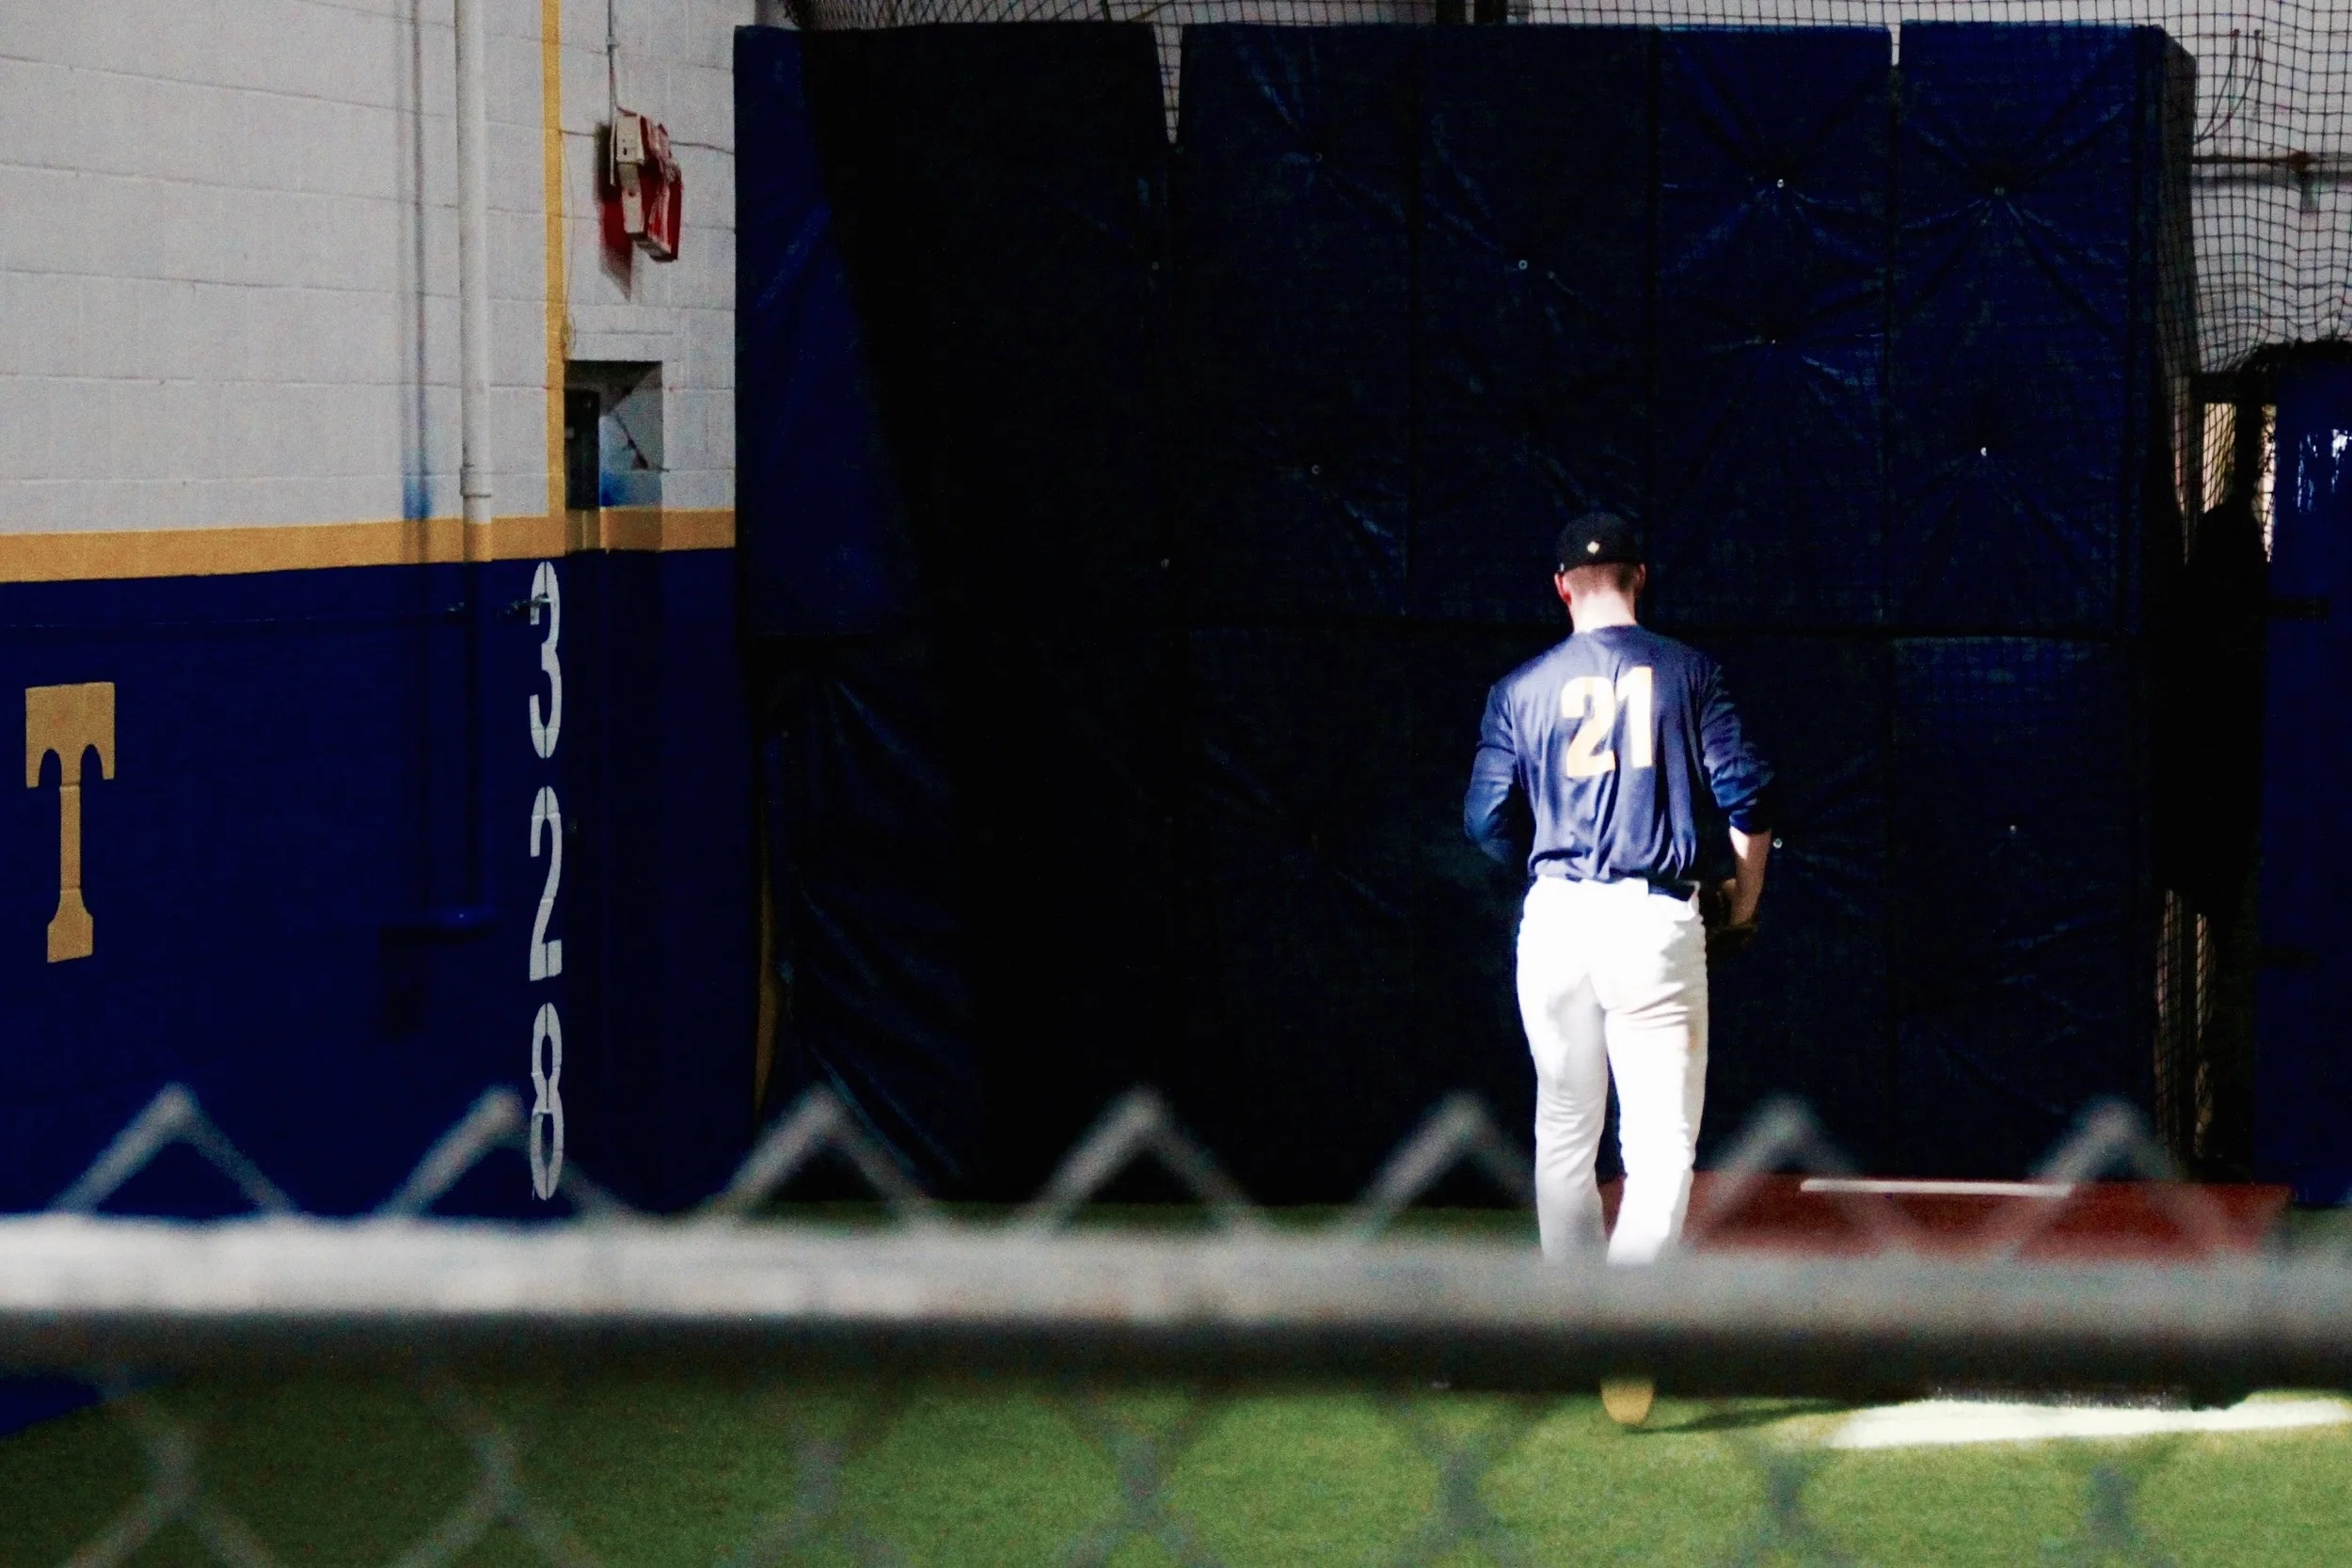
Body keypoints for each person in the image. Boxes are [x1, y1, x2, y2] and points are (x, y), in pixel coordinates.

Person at [1463, 512, 1772, 1270]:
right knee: (1659, 1140)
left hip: (1558, 919)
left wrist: (1548, 867)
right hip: (1653, 915)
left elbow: (1483, 820)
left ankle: (1575, 1318)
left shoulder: (1519, 688)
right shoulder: (1689, 672)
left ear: (1561, 588)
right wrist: (1745, 898)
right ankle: (1630, 1321)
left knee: (1565, 1127)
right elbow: (1752, 797)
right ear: (1641, 578)